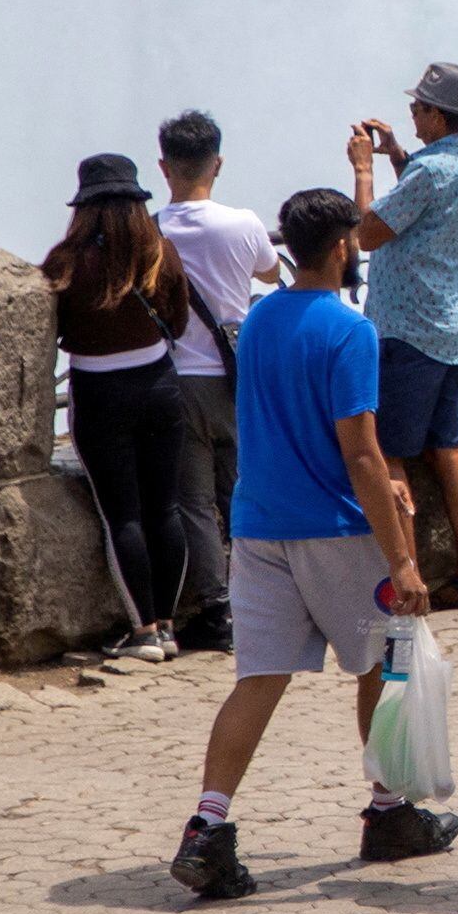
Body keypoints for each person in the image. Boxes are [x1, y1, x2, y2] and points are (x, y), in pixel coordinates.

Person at [166, 189, 450, 900]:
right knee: (380, 665)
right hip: (336, 529)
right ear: (343, 246)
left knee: (257, 680)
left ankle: (207, 827)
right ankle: (387, 813)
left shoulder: (261, 318)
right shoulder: (350, 332)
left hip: (259, 525)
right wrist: (404, 558)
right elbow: (360, 453)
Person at [348, 62, 458, 607]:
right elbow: (426, 200)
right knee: (447, 450)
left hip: (407, 335)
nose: (410, 113)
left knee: (391, 458)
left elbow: (366, 234)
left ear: (436, 114)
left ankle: (408, 584)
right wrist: (394, 156)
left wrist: (364, 169)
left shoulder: (430, 174)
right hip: (451, 331)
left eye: (417, 107)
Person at [46, 155, 199, 664]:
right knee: (165, 508)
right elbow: (176, 324)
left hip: (99, 391)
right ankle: (170, 626)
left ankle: (144, 630)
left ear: (84, 208)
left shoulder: (67, 262)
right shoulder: (161, 253)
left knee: (123, 515)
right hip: (159, 385)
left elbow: (56, 330)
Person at [156, 109, 282, 653]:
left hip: (179, 379)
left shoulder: (151, 229)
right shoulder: (245, 223)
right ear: (218, 163)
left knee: (194, 502)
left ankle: (216, 609)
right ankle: (270, 595)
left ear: (164, 168)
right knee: (243, 491)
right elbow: (271, 273)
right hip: (239, 377)